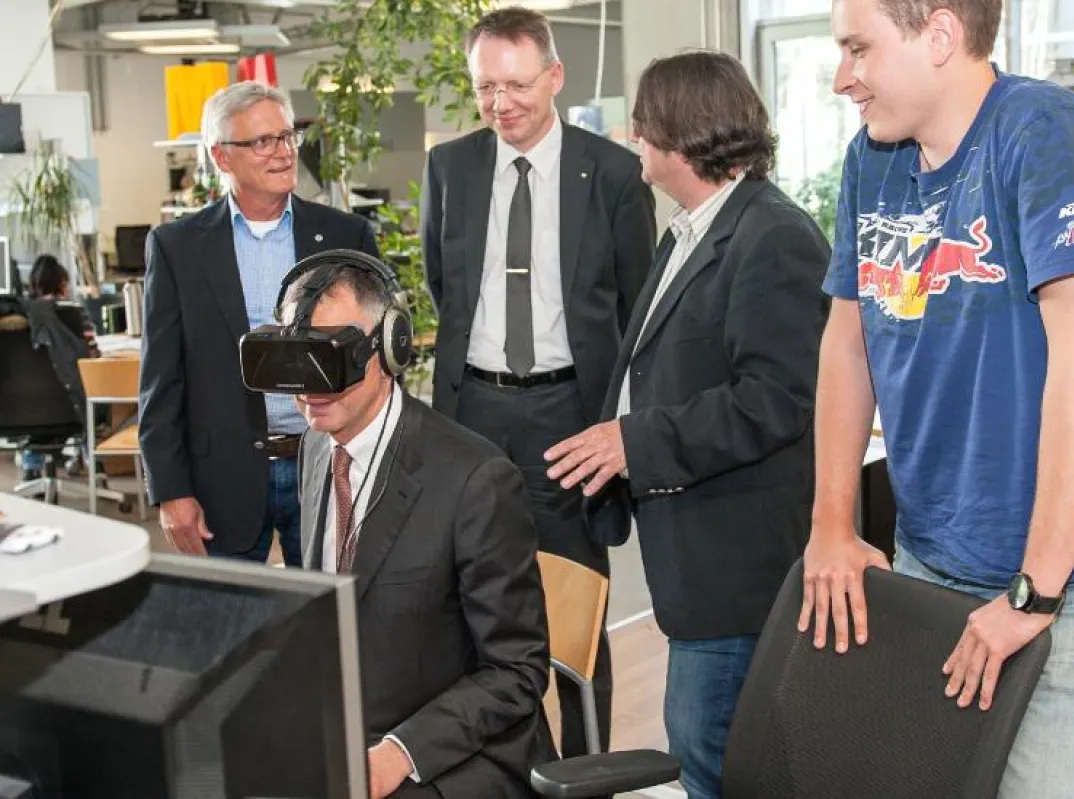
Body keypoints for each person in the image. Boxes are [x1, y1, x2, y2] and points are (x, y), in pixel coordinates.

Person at [799, 2, 1074, 797]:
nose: (844, 79)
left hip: (1067, 581)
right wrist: (831, 524)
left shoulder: (1046, 134)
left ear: (938, 35)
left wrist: (1032, 593)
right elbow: (848, 342)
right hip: (932, 556)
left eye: (858, 49)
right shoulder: (872, 162)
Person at [546, 51, 830, 798]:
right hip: (695, 559)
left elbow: (773, 400)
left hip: (735, 567)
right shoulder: (689, 230)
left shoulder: (773, 237)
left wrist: (629, 440)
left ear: (681, 132)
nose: (632, 136)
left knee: (712, 762)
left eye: (644, 124)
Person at [420, 5, 656, 757]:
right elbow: (441, 286)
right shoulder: (449, 167)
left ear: (554, 76)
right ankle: (502, 767)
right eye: (486, 87)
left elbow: (637, 300)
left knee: (576, 609)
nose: (501, 104)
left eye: (516, 84)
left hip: (570, 414)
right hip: (472, 411)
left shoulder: (613, 172)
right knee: (474, 604)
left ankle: (588, 767)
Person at [280, 256, 552, 798]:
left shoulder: (476, 480)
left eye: (334, 354)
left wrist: (398, 754)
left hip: (457, 755)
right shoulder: (316, 446)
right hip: (349, 734)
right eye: (298, 354)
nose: (312, 382)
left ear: (389, 349)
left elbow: (517, 672)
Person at [139, 81, 379, 566]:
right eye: (262, 142)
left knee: (333, 625)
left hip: (329, 465)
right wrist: (170, 490)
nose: (283, 152)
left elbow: (377, 361)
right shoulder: (176, 247)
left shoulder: (344, 235)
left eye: (287, 136)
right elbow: (161, 380)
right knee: (230, 628)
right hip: (221, 475)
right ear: (222, 157)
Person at [20, 254, 100, 480]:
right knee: (91, 399)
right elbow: (92, 356)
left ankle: (31, 464)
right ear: (62, 284)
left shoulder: (18, 315)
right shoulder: (73, 313)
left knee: (44, 403)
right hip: (72, 405)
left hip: (21, 409)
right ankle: (91, 459)